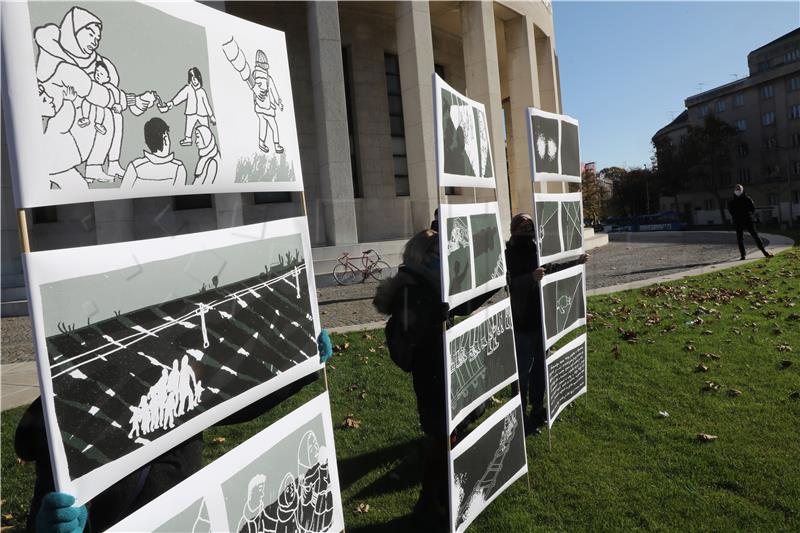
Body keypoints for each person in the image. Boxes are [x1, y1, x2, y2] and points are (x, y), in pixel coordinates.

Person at [24, 331, 334, 533]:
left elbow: (240, 401)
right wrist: (47, 528)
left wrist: (302, 366)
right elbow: (57, 507)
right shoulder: (78, 424)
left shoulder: (177, 397)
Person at [373, 229, 495, 527]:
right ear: (422, 254)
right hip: (431, 373)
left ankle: (440, 495)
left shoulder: (434, 280)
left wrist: (493, 282)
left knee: (448, 435)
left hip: (445, 366)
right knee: (442, 437)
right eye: (437, 251)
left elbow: (463, 305)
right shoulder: (410, 287)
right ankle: (429, 500)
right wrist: (436, 317)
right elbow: (415, 333)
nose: (443, 256)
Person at [505, 214, 587, 432]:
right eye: (521, 225)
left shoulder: (538, 250)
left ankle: (537, 407)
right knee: (522, 369)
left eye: (529, 225)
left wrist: (575, 263)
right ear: (513, 229)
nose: (525, 229)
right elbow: (510, 285)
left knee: (541, 367)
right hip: (522, 320)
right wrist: (530, 278)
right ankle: (518, 412)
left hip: (543, 319)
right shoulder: (508, 254)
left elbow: (553, 269)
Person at [121, 118, 187, 188]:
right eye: (167, 136)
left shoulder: (135, 166)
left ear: (147, 142)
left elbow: (123, 191)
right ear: (165, 139)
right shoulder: (178, 167)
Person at [164, 67, 216, 147]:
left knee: (205, 128)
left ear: (199, 78)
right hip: (191, 113)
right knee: (189, 126)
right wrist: (172, 103)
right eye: (192, 78)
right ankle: (188, 139)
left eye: (195, 78)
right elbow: (180, 97)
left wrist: (211, 116)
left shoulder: (202, 91)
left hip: (202, 114)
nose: (194, 80)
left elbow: (207, 104)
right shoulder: (188, 89)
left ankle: (207, 140)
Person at [728, 184, 773, 260]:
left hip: (748, 221)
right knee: (739, 239)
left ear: (742, 190)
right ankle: (743, 255)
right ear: (734, 190)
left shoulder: (747, 199)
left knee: (755, 236)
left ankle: (764, 251)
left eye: (739, 189)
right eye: (736, 189)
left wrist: (747, 215)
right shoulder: (732, 201)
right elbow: (731, 211)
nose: (737, 190)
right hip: (738, 222)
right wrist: (737, 216)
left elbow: (752, 209)